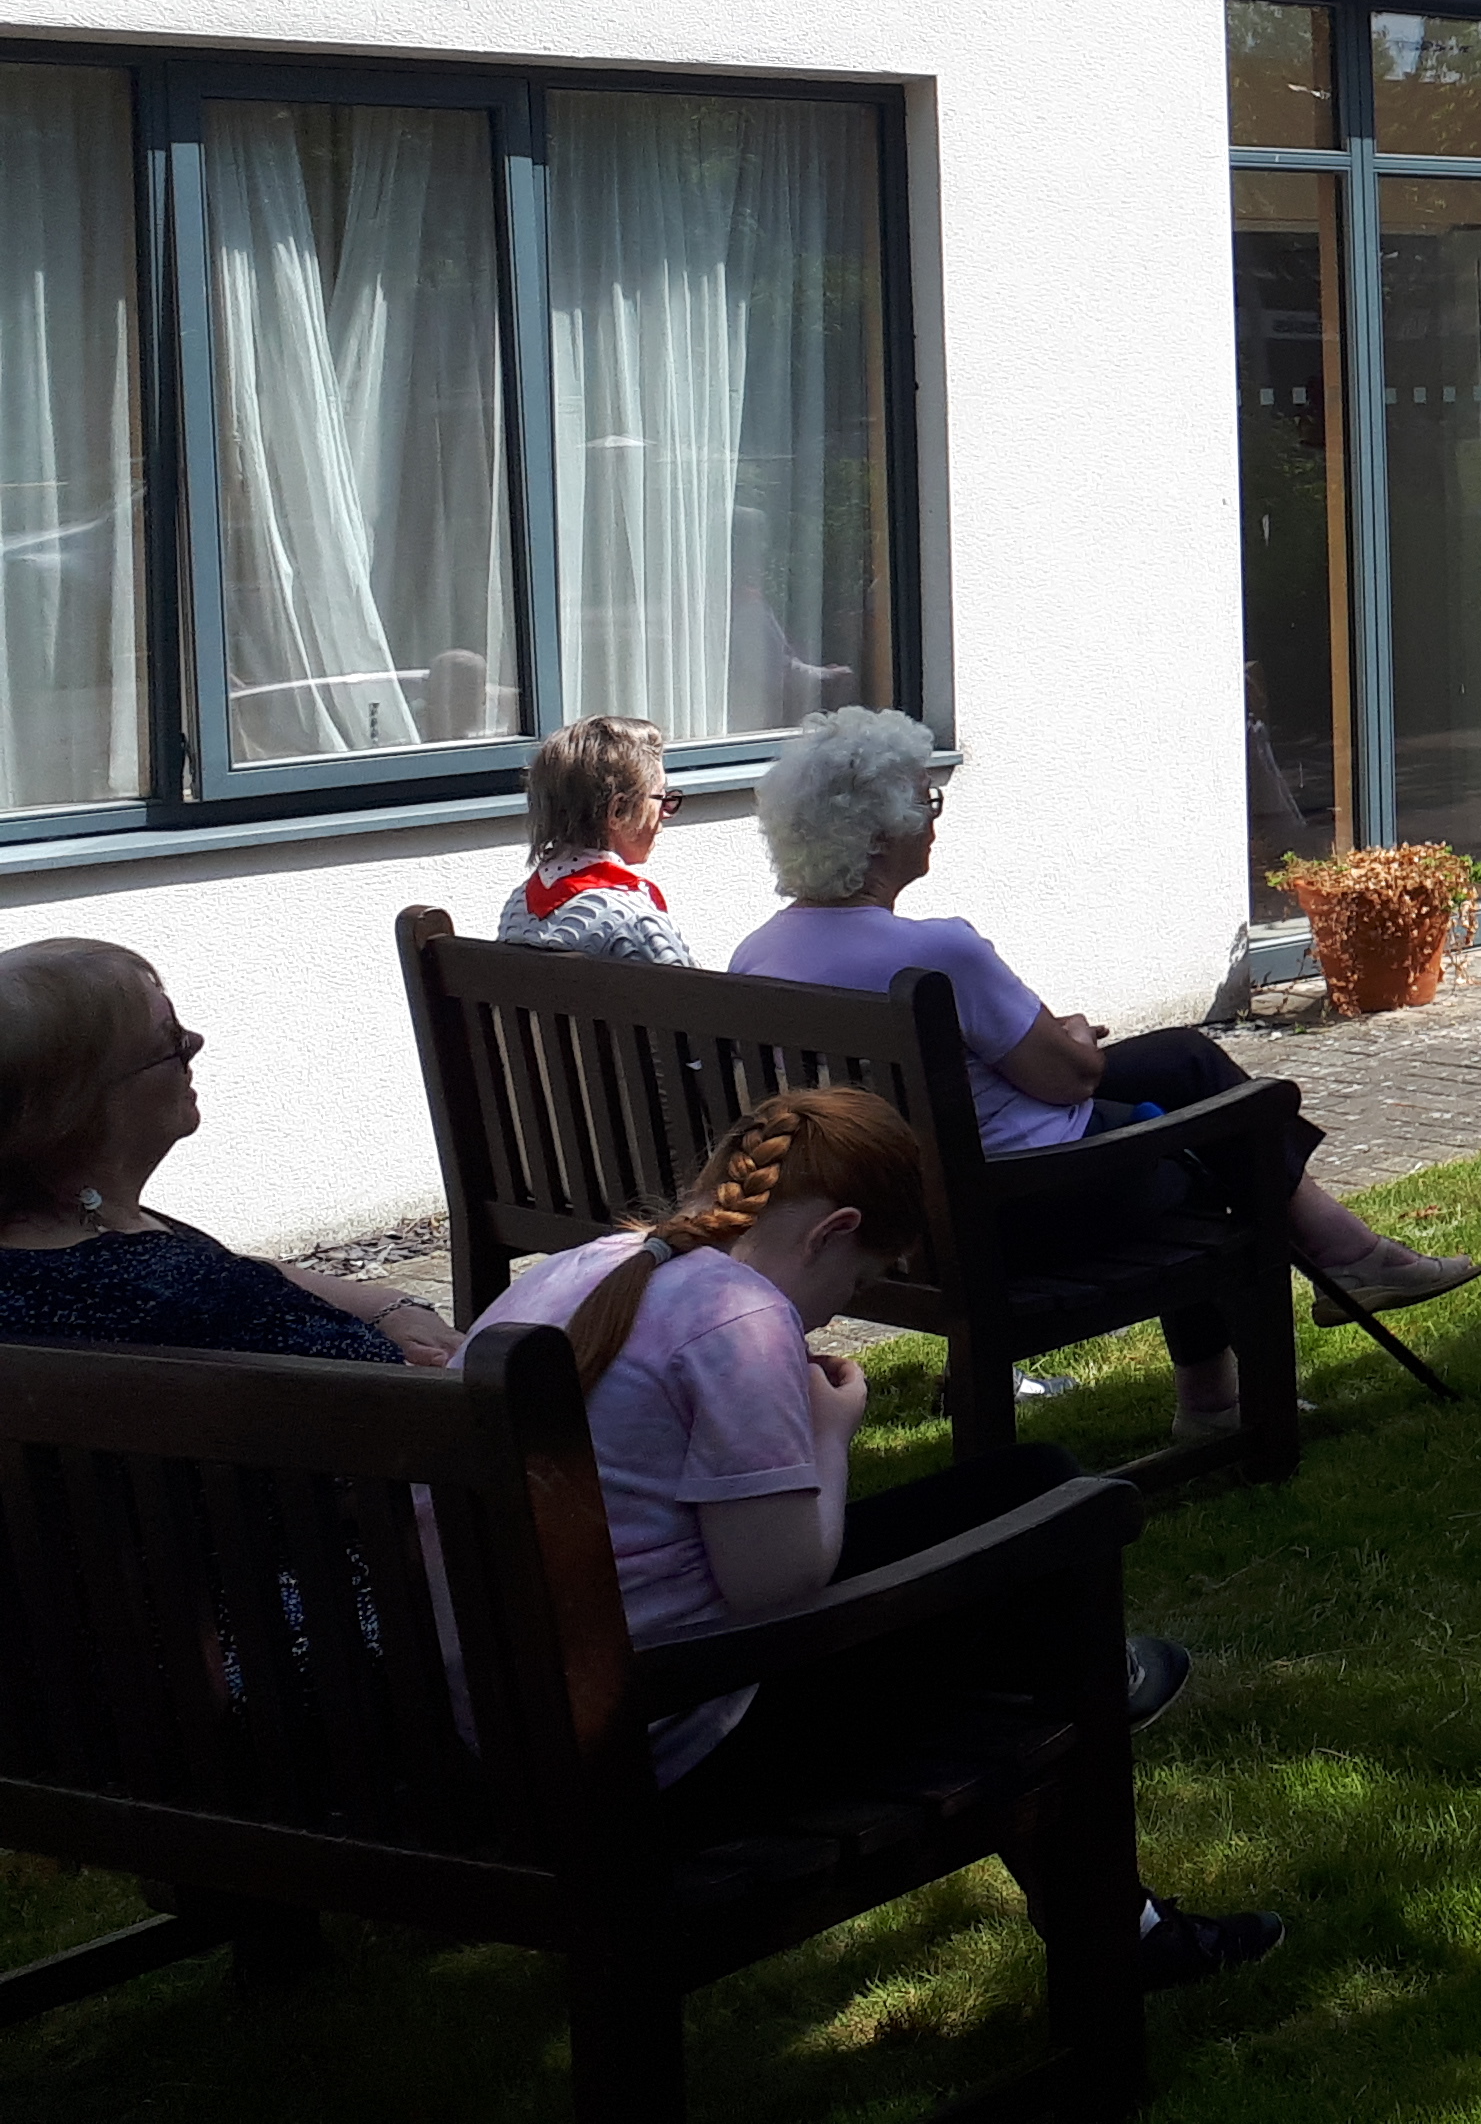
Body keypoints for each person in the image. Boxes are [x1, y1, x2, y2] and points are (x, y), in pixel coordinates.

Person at [467, 1087, 1280, 1988]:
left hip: (514, 1725)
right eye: (853, 1283)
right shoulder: (736, 1316)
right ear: (831, 1230)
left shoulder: (578, 1271)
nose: (827, 1316)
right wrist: (831, 1433)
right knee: (1050, 1541)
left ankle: (1119, 1867)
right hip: (665, 1751)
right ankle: (1106, 1804)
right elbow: (776, 1588)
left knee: (1033, 1486)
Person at [729, 712, 1476, 1445]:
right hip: (1025, 1207)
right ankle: (1239, 1382)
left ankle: (1335, 1271)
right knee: (1224, 1148)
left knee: (1186, 1060)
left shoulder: (758, 956)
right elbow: (1070, 1080)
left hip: (907, 1222)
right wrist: (1075, 1037)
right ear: (880, 830)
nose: (933, 820)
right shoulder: (939, 953)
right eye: (924, 801)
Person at [0, 937, 454, 1362]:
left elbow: (226, 1269)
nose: (195, 1044)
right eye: (171, 1041)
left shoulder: (60, 1231)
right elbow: (423, 1401)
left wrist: (382, 1302)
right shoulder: (190, 1299)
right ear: (81, 1108)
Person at [497, 713, 699, 964]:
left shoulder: (516, 909)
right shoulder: (633, 921)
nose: (665, 814)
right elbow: (692, 1000)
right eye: (660, 798)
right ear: (617, 811)